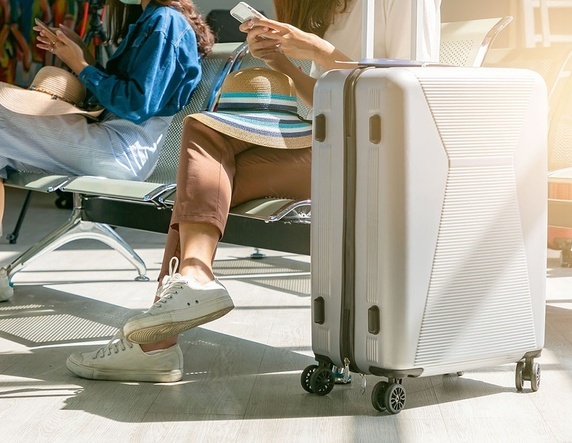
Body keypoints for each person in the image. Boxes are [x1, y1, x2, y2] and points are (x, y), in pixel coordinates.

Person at [65, 0, 442, 383]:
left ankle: (158, 346)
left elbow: (411, 93)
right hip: (323, 140)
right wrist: (283, 64)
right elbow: (324, 101)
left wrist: (318, 50)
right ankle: (194, 277)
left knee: (197, 188)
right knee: (203, 134)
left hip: (371, 155)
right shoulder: (327, 7)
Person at [0, 0, 214, 301]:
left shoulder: (165, 21)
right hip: (111, 140)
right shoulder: (153, 19)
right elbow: (124, 92)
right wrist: (82, 55)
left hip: (122, 148)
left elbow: (137, 104)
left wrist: (81, 66)